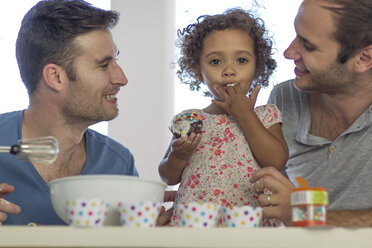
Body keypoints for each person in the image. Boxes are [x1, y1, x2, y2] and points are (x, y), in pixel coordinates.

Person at [0, 0, 172, 226]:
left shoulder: (117, 164)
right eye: (103, 65)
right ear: (55, 77)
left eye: (116, 60)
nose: (121, 78)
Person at [158, 8, 289, 226]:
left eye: (241, 60)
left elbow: (276, 161)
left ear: (257, 67)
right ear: (198, 70)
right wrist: (178, 155)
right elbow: (167, 176)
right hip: (195, 226)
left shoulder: (265, 116)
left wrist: (245, 115)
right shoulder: (191, 120)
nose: (229, 70)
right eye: (216, 62)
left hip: (249, 226)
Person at [250, 0, 372, 227]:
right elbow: (267, 200)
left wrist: (304, 213)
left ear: (364, 59)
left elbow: (293, 212)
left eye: (308, 45)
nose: (288, 52)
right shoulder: (284, 99)